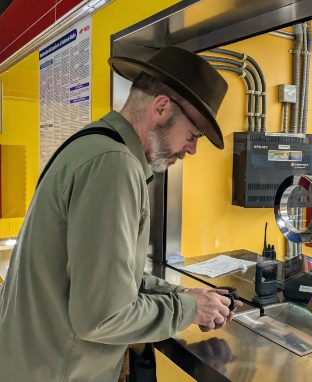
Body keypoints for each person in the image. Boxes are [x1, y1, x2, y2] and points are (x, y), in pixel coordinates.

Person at [0, 46, 239, 381]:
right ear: (161, 108)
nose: (192, 149)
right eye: (193, 135)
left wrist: (180, 295)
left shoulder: (94, 143)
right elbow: (102, 317)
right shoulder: (115, 166)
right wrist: (190, 309)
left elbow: (111, 279)